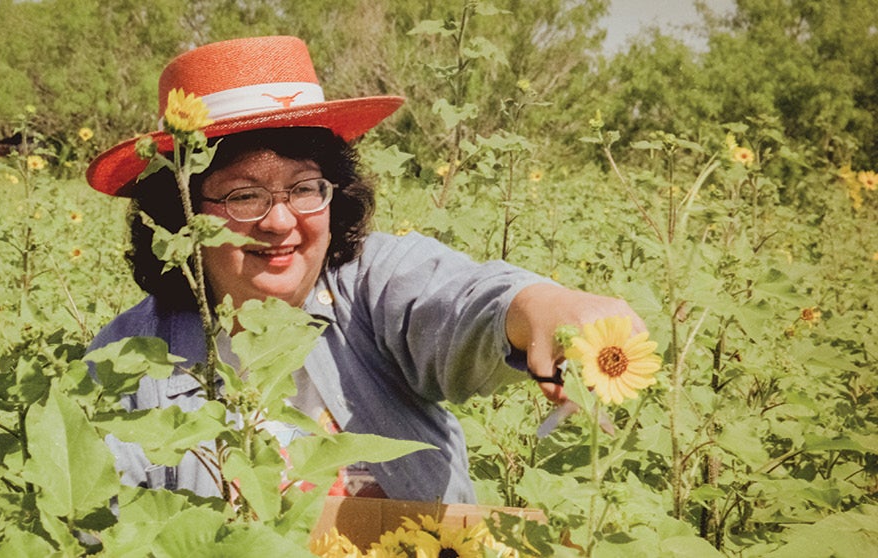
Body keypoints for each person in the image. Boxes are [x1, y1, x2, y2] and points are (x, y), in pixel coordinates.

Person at [85, 35, 646, 504]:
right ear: (182, 213)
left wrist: (543, 306)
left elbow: (466, 301)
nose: (281, 222)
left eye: (305, 188)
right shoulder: (126, 359)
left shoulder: (369, 284)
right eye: (243, 196)